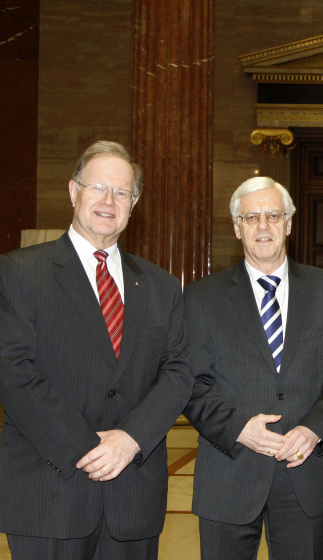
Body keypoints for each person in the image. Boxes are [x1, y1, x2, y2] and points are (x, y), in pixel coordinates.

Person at [0, 141, 193, 559]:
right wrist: (85, 448)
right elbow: (13, 371)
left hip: (134, 496)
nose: (109, 201)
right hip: (50, 491)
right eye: (98, 188)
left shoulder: (161, 286)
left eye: (121, 192)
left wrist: (130, 440)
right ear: (74, 192)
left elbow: (178, 371)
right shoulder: (20, 272)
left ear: (134, 203)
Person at [182, 176, 323, 560]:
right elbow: (190, 383)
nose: (263, 226)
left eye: (273, 215)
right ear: (236, 226)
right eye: (251, 217)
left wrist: (314, 429)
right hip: (229, 471)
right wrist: (238, 429)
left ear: (290, 223)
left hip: (302, 473)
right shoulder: (201, 297)